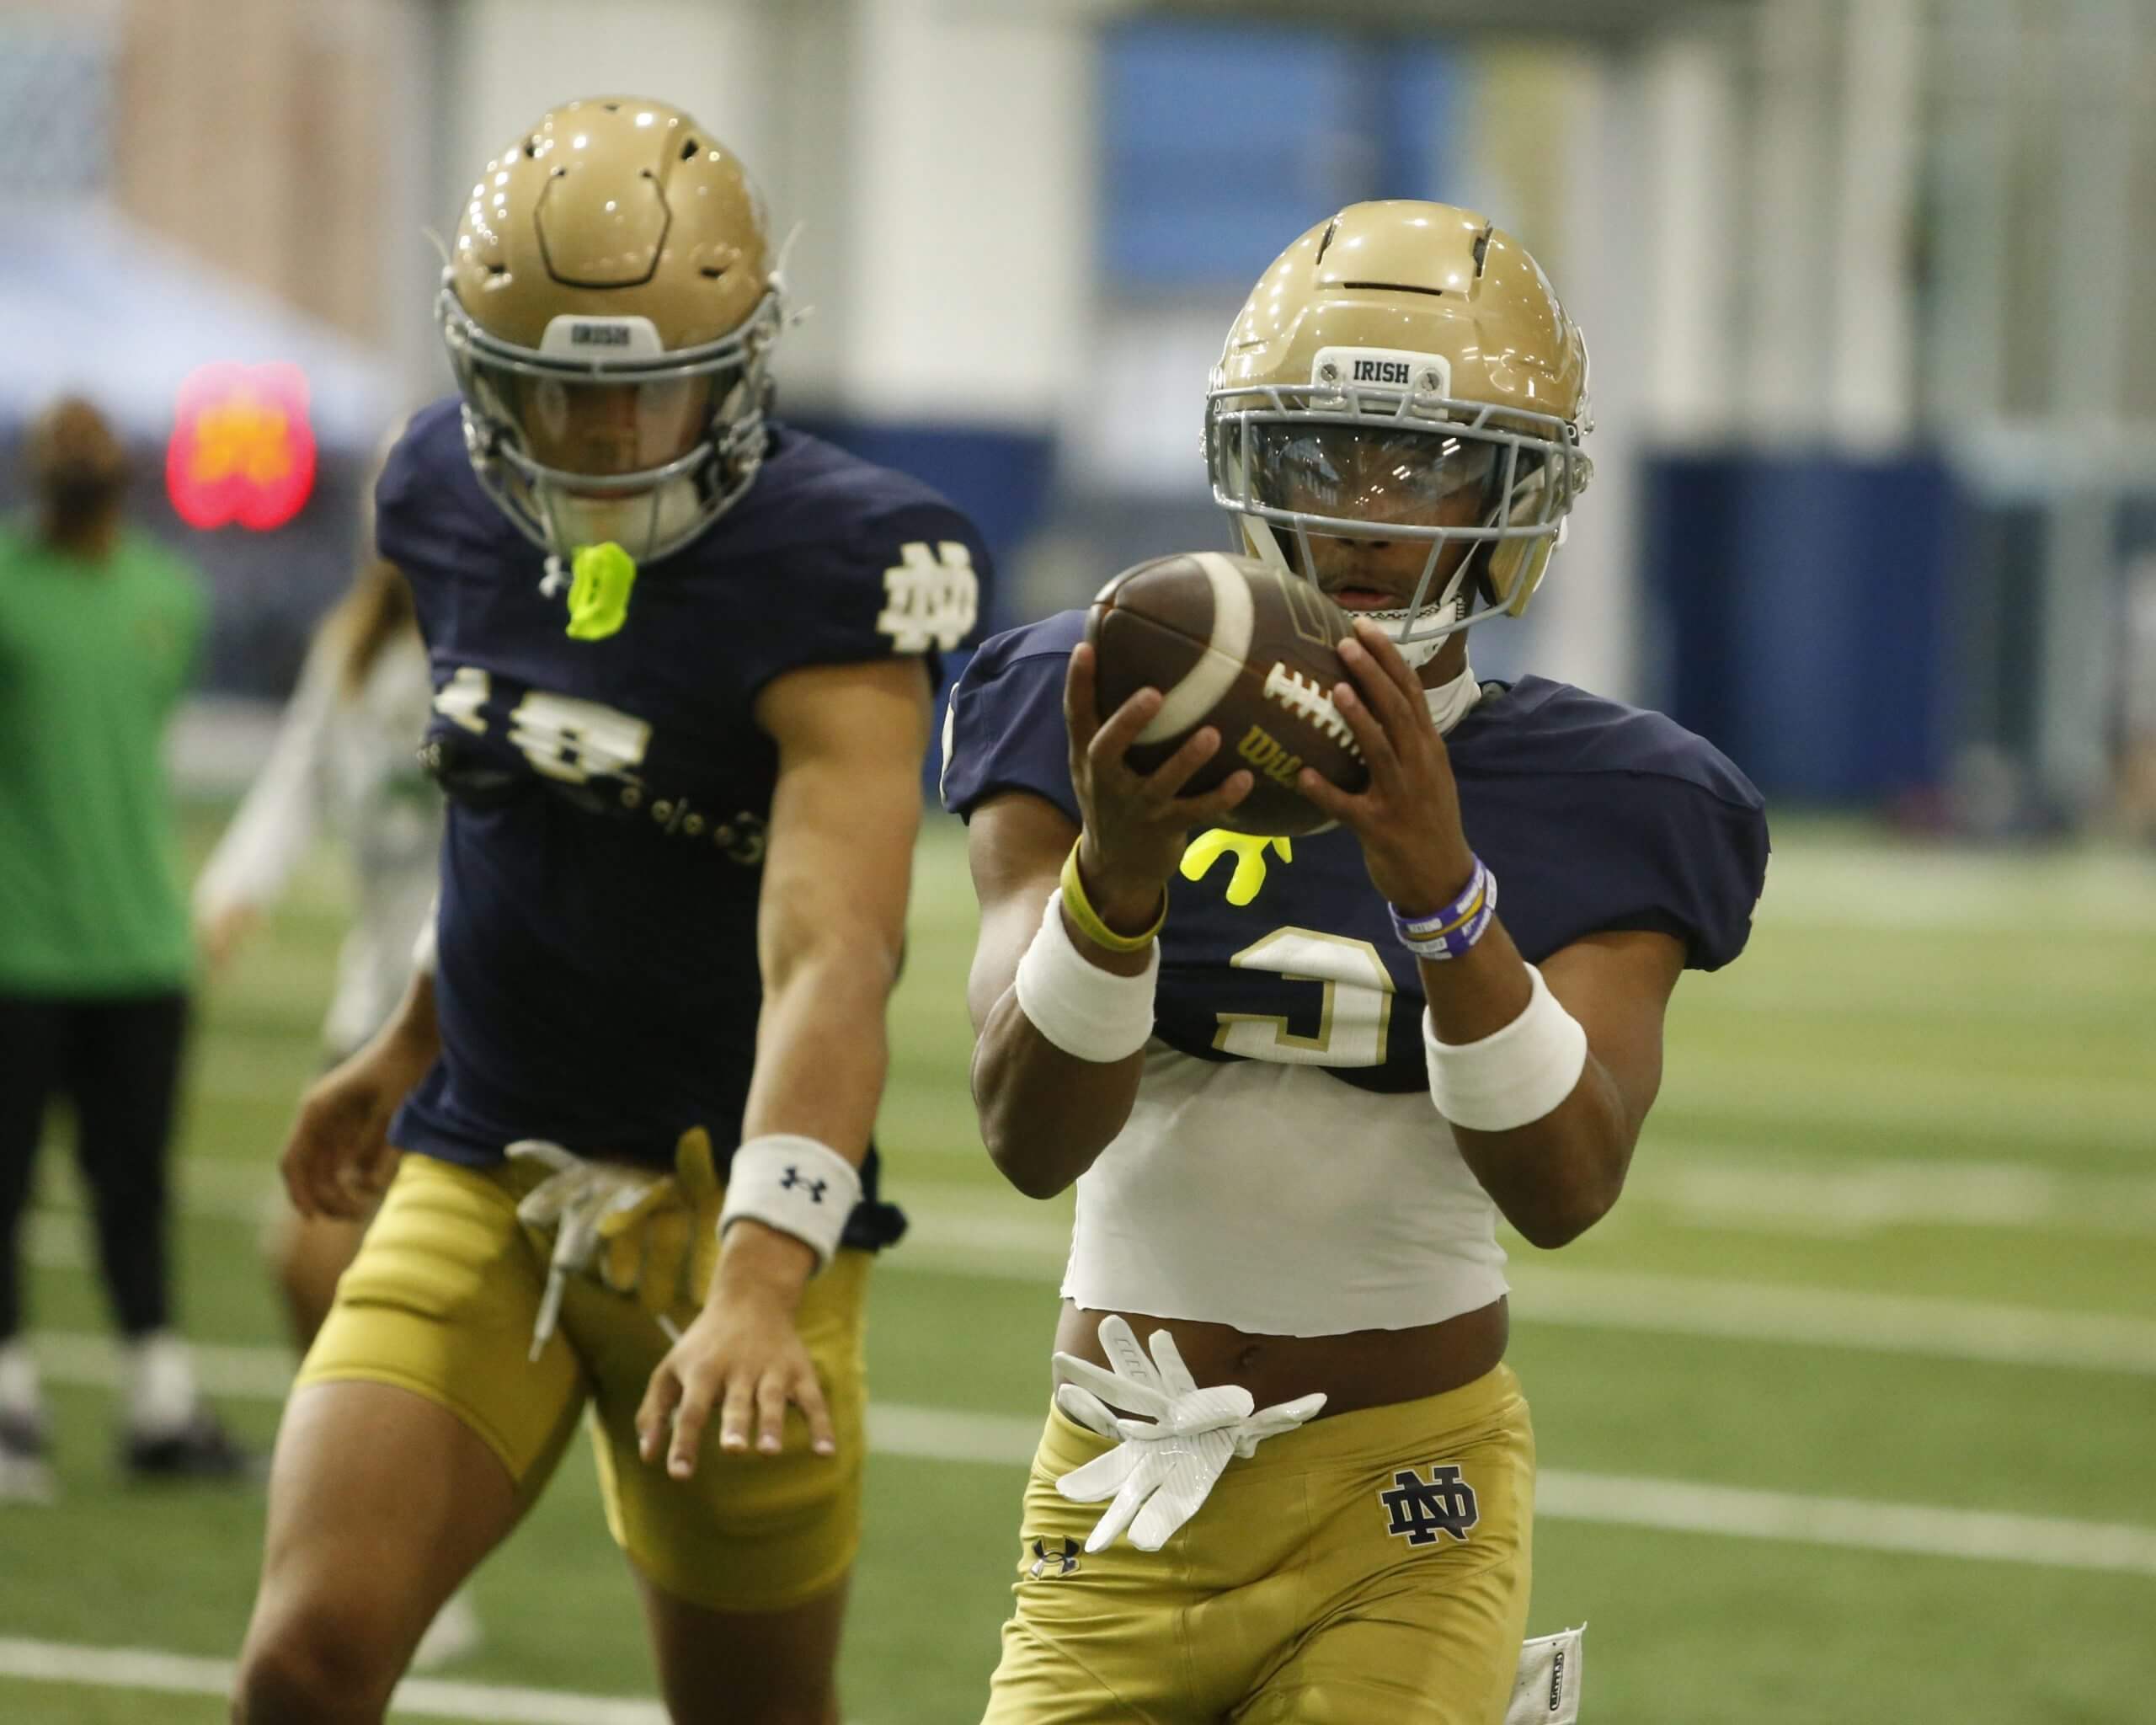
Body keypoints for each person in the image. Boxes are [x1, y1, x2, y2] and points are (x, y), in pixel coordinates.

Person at [942, 201, 1770, 1724]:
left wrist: (1444, 893)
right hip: (1119, 1483)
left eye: (1432, 459)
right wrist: (1115, 878)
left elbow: (1568, 1186)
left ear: (1521, 491)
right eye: (1326, 455)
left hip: (1410, 1499)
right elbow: (1025, 1138)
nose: (1372, 510)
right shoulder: (1096, 699)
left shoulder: (1621, 794)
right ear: (1251, 464)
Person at [229, 96, 990, 1725]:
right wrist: (406, 1042)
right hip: (481, 1156)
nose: (598, 438)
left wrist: (764, 1279)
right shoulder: (440, 495)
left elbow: (833, 955)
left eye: (645, 390)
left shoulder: (838, 560)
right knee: (302, 1666)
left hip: (726, 1210)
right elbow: (511, 810)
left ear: (745, 362)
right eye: (555, 391)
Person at [193, 540, 486, 1669]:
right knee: (314, 1272)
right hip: (368, 1015)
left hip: (458, 1023)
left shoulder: (502, 644)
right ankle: (369, 1520)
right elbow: (295, 779)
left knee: (361, 1282)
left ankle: (408, 1556)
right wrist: (235, 887)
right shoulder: (352, 650)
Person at [0, 395, 252, 1498]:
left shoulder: (168, 597)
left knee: (135, 1184)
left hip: (143, 947)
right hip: (17, 946)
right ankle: (10, 1398)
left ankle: (158, 1400)